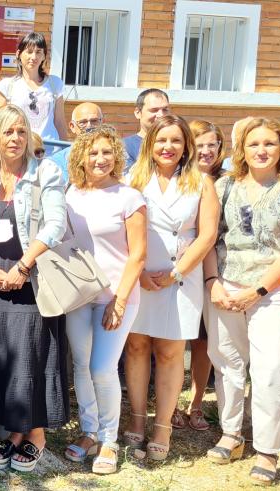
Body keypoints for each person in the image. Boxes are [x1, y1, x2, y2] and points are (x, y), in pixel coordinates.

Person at [0, 104, 69, 472]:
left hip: (32, 277)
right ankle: (14, 433)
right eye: (8, 131)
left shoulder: (47, 173)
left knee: (30, 356)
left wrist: (23, 267)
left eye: (21, 131)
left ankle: (35, 434)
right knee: (0, 354)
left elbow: (55, 226)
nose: (15, 138)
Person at [122, 114, 219, 462]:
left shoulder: (201, 182)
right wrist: (140, 273)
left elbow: (207, 235)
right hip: (140, 276)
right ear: (150, 144)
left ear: (185, 146)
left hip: (182, 277)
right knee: (135, 346)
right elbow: (122, 228)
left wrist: (176, 272)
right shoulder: (133, 178)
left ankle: (162, 425)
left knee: (169, 352)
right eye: (161, 140)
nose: (168, 147)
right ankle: (136, 417)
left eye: (175, 141)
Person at [202, 117, 280, 486]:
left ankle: (268, 451)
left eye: (269, 143)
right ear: (242, 149)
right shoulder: (224, 186)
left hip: (272, 293)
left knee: (270, 370)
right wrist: (212, 282)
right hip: (225, 287)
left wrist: (257, 291)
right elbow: (209, 237)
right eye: (254, 144)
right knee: (227, 365)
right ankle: (231, 433)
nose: (261, 150)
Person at [62, 126, 147, 475]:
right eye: (92, 152)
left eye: (106, 152)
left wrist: (121, 300)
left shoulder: (129, 197)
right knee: (81, 367)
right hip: (79, 295)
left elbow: (138, 255)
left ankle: (109, 439)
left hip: (116, 296)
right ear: (81, 156)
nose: (99, 159)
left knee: (102, 368)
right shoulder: (71, 194)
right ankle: (90, 432)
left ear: (116, 155)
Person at [170, 119, 225, 433]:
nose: (206, 151)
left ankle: (196, 404)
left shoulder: (227, 180)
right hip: (184, 271)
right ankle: (173, 403)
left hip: (215, 274)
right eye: (200, 144)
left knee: (204, 343)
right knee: (178, 342)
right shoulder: (180, 179)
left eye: (212, 145)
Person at [0, 32, 67, 142]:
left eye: (38, 52)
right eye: (29, 52)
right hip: (19, 149)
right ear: (19, 54)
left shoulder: (55, 84)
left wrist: (64, 152)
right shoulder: (7, 85)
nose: (34, 57)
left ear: (43, 56)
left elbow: (59, 121)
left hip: (49, 151)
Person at [48, 102, 104, 179]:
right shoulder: (59, 161)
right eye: (83, 122)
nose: (89, 126)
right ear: (72, 127)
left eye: (94, 121)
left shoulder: (114, 155)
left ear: (102, 123)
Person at [123, 89, 170, 168]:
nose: (161, 115)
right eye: (154, 110)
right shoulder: (124, 146)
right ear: (138, 113)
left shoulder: (178, 145)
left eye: (165, 109)